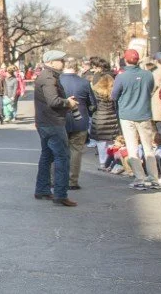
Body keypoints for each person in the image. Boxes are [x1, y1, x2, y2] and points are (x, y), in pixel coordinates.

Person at [111, 48, 161, 190]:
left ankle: (140, 178)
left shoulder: (121, 77)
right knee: (148, 147)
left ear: (125, 60)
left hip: (127, 115)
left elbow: (114, 95)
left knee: (133, 148)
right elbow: (150, 89)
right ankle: (154, 178)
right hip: (144, 114)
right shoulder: (148, 75)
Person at [34, 50, 79, 206]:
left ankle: (43, 190)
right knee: (62, 157)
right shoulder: (48, 78)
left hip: (46, 122)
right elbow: (53, 101)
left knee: (47, 156)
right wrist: (68, 103)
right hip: (52, 123)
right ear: (51, 62)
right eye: (60, 60)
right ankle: (60, 194)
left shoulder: (47, 76)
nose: (63, 62)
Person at [60, 56, 97, 191]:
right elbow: (93, 104)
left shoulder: (57, 82)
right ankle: (72, 180)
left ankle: (54, 179)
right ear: (76, 67)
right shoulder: (84, 83)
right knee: (76, 151)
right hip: (79, 120)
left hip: (60, 120)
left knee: (58, 150)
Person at [89, 74, 119, 170]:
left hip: (99, 119)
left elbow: (92, 106)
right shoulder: (113, 92)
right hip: (112, 118)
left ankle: (102, 162)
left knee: (100, 142)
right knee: (111, 141)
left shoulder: (96, 92)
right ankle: (110, 162)